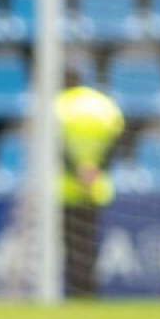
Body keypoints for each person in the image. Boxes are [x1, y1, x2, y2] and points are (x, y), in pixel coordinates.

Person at [56, 75, 124, 297]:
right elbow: (118, 139)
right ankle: (88, 291)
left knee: (69, 245)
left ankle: (73, 292)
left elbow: (53, 144)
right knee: (88, 242)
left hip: (65, 188)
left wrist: (77, 168)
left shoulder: (58, 106)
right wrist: (96, 169)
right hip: (95, 187)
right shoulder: (104, 105)